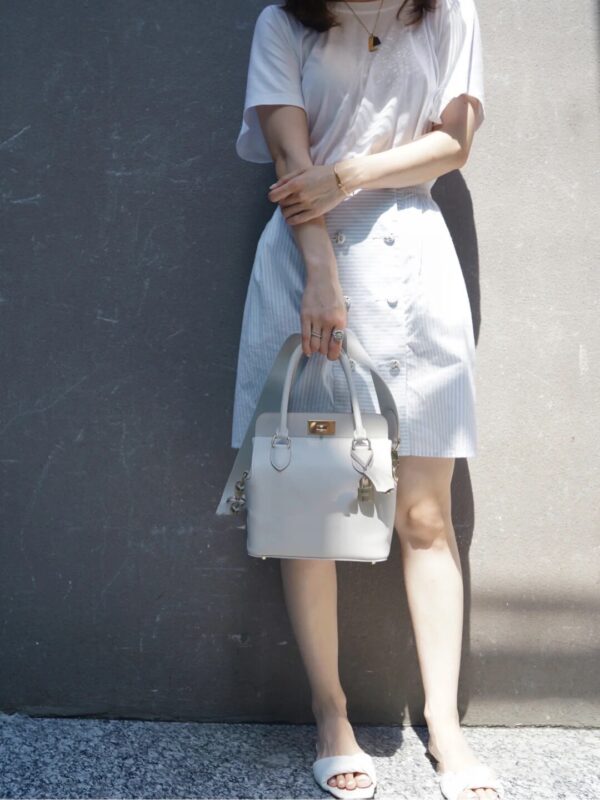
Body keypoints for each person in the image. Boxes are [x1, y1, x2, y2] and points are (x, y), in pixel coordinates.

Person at [229, 1, 506, 799]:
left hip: (415, 260)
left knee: (425, 514)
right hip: (307, 266)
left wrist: (348, 173)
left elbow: (454, 142)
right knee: (312, 507)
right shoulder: (284, 23)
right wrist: (321, 276)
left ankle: (445, 727)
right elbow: (291, 159)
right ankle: (332, 714)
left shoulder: (449, 13)